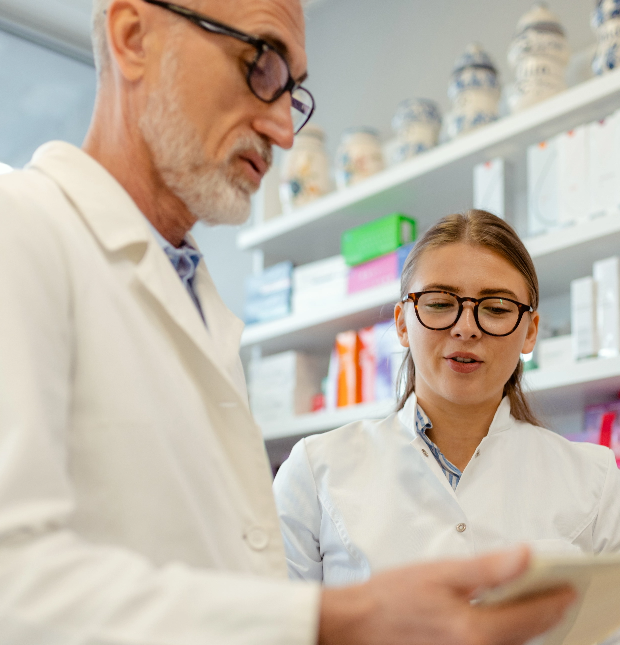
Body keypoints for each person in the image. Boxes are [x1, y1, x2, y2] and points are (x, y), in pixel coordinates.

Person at [0, 0, 576, 643]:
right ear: (133, 37)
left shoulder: (194, 303)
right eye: (262, 64)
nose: (283, 131)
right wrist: (347, 618)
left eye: (293, 93)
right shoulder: (16, 225)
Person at [274, 210, 620, 644]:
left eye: (496, 308)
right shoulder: (316, 468)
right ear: (401, 323)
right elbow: (266, 630)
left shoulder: (597, 481)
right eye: (439, 303)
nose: (466, 328)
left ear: (530, 332)